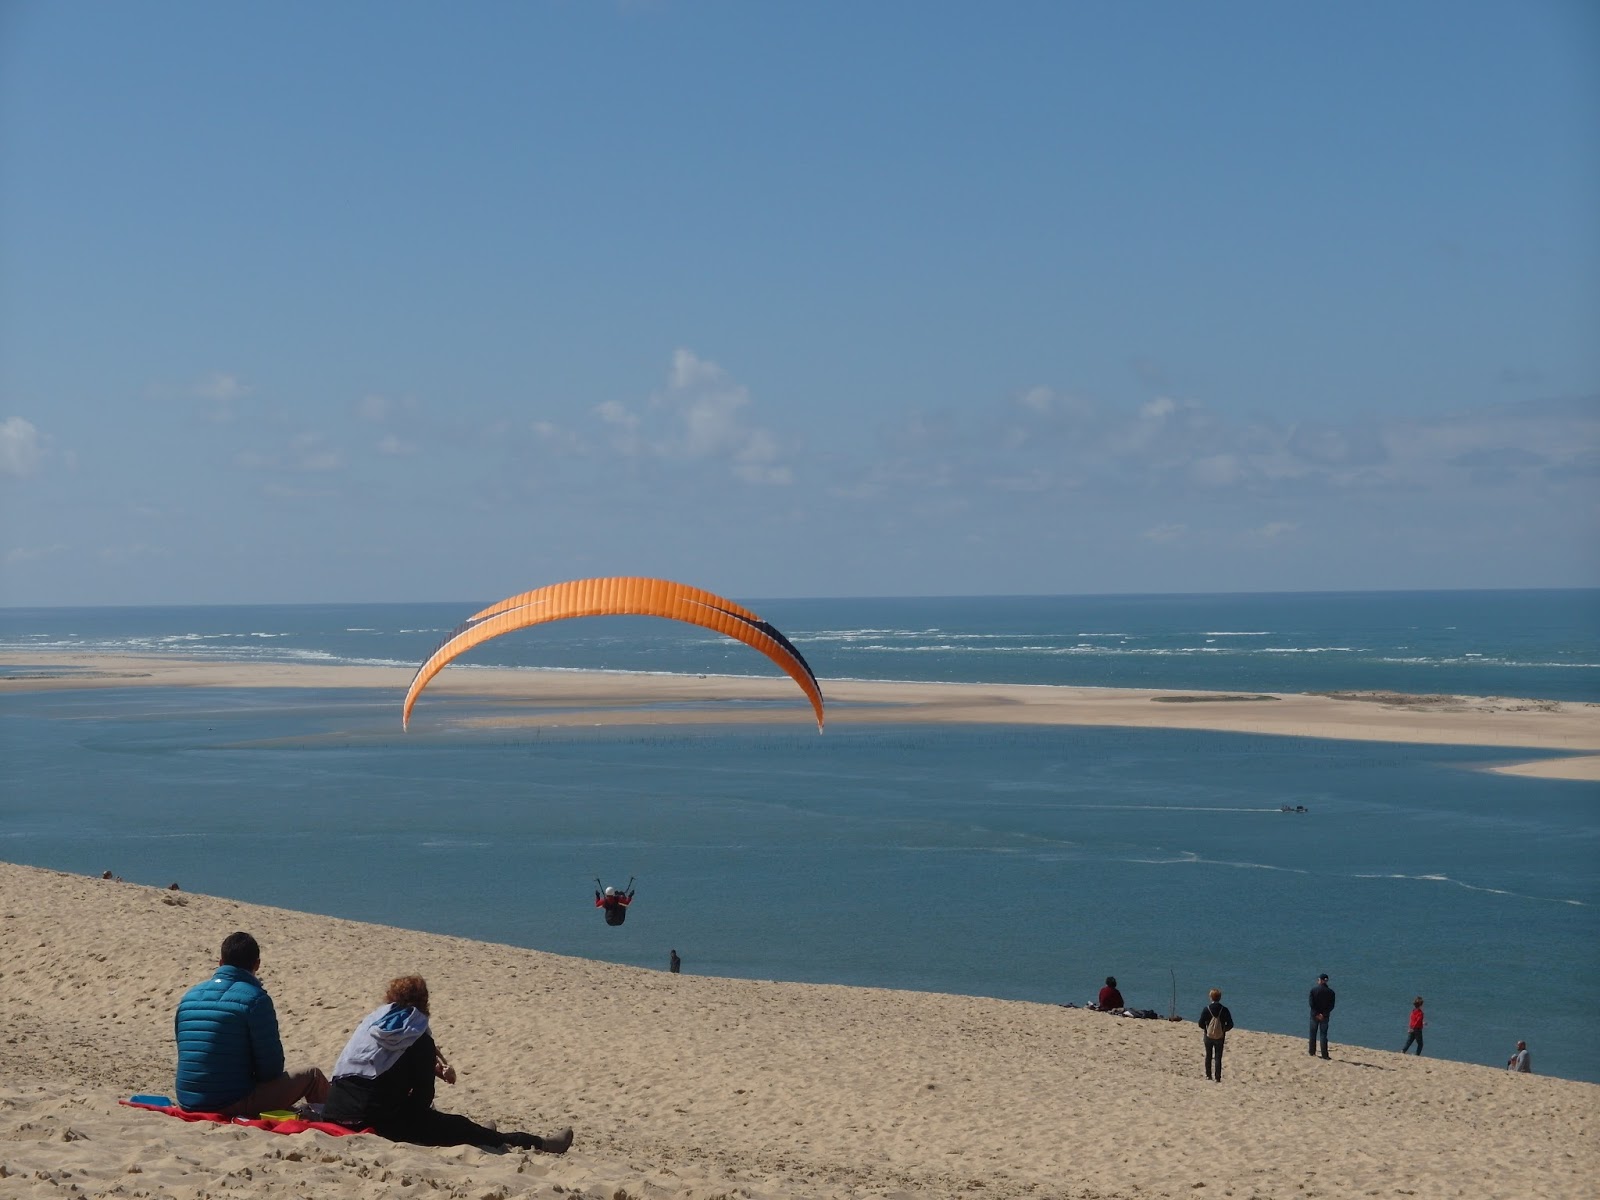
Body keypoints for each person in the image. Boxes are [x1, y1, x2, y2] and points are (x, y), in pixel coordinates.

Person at [323, 975, 573, 1152]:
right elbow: (422, 1099)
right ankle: (541, 1144)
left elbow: (378, 1067)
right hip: (373, 1121)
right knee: (456, 1125)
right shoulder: (418, 1037)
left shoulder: (372, 1024)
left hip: (334, 1111)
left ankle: (479, 1132)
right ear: (425, 1003)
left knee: (448, 1123)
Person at [174, 931, 329, 1116]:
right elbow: (271, 1070)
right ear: (257, 964)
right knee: (312, 1076)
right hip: (227, 1103)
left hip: (187, 1101)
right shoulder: (255, 1000)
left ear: (221, 963)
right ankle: (333, 1119)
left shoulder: (189, 997)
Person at [1198, 988, 1234, 1083]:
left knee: (1208, 1055)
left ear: (1210, 997)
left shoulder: (1207, 1009)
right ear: (1220, 998)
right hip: (1220, 1036)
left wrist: (1206, 1029)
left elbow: (1200, 1023)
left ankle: (1208, 1075)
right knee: (1218, 1057)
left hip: (1208, 1035)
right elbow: (1230, 1024)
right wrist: (1223, 1030)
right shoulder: (1224, 1010)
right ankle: (1217, 1077)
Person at [1309, 973, 1336, 1059]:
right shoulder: (1331, 992)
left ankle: (1312, 1052)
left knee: (1313, 1033)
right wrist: (1323, 1014)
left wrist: (1317, 1013)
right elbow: (1331, 1006)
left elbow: (1311, 1004)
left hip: (1314, 1015)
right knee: (1323, 1035)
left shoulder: (1313, 990)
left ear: (1320, 980)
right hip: (1325, 1016)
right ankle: (1324, 1054)